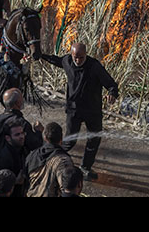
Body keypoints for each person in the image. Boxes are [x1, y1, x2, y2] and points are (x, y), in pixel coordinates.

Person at [38, 42, 119, 181]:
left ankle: (86, 167)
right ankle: (49, 158)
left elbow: (110, 83)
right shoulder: (67, 61)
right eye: (75, 57)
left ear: (86, 55)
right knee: (70, 140)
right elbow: (57, 60)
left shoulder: (94, 66)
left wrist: (112, 93)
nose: (78, 61)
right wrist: (41, 56)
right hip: (74, 109)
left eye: (81, 58)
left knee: (94, 139)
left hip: (92, 110)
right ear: (71, 55)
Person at [25, 122, 74, 197]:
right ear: (61, 139)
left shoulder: (32, 155)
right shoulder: (63, 160)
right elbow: (67, 191)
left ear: (45, 138)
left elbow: (24, 180)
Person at [0, 119, 28, 197]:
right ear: (8, 138)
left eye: (22, 133)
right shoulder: (4, 157)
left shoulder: (22, 149)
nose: (21, 136)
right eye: (17, 135)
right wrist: (15, 181)